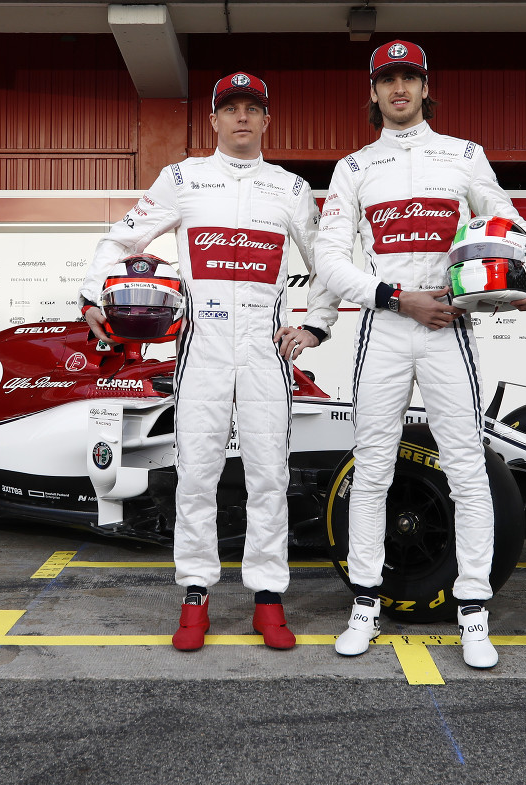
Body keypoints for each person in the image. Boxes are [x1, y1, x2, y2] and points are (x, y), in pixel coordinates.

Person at [312, 40, 526, 669]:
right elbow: (330, 261)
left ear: (426, 88)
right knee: (372, 470)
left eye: (410, 78)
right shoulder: (353, 167)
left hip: (451, 326)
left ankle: (472, 611)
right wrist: (397, 298)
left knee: (468, 469)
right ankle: (365, 604)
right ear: (372, 92)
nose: (399, 89)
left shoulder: (464, 155)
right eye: (387, 79)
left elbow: (506, 219)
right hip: (387, 328)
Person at [78, 72, 338, 652]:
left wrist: (317, 324)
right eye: (231, 109)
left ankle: (268, 599)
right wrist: (95, 294)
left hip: (266, 352)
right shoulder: (182, 178)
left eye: (253, 109)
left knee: (269, 473)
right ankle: (195, 594)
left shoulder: (290, 188)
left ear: (267, 120)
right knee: (198, 473)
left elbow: (326, 262)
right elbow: (120, 241)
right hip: (203, 348)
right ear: (214, 120)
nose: (242, 118)